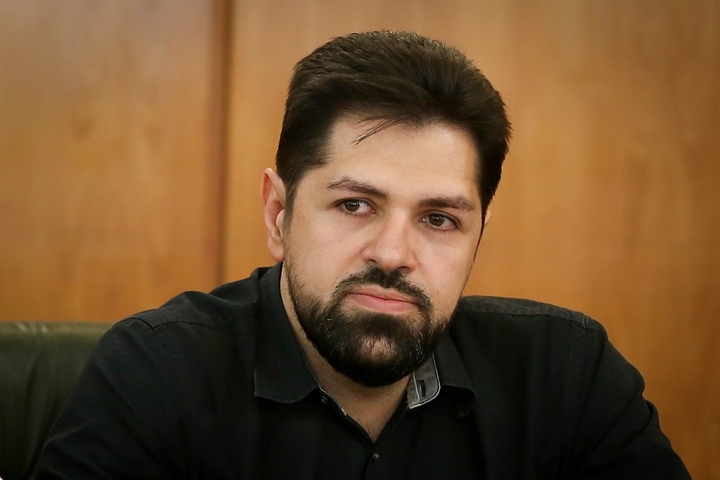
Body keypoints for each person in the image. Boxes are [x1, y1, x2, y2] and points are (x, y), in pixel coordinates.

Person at [35, 31, 690, 479]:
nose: (394, 253)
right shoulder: (157, 374)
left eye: (439, 219)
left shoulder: (568, 378)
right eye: (355, 205)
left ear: (478, 237)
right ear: (278, 213)